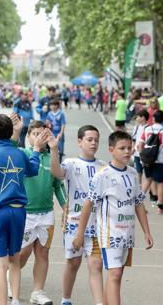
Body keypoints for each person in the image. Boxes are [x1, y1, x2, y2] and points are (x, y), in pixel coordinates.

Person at [0, 114, 45, 305]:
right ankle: (16, 301)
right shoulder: (20, 153)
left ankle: (3, 302)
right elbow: (33, 169)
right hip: (19, 212)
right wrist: (36, 150)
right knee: (15, 260)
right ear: (11, 131)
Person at [73, 131, 153, 305]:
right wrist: (80, 234)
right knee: (115, 274)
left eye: (129, 148)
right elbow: (88, 205)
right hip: (110, 235)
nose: (127, 152)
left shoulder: (132, 174)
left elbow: (138, 204)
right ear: (111, 150)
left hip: (128, 234)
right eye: (122, 148)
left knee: (116, 275)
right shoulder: (103, 175)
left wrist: (147, 231)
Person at [50, 125, 106, 305]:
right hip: (74, 224)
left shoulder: (103, 167)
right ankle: (65, 299)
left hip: (97, 225)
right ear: (79, 142)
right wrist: (53, 150)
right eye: (89, 140)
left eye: (96, 140)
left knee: (96, 265)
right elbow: (57, 173)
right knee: (73, 264)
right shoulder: (71, 164)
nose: (93, 143)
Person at [17, 120, 66, 305]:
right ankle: (11, 273)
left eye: (43, 134)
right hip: (25, 213)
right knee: (23, 252)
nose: (39, 137)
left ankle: (38, 291)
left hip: (46, 213)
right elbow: (12, 146)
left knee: (43, 253)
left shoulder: (51, 158)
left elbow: (58, 185)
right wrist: (16, 132)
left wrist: (66, 206)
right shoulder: (23, 154)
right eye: (35, 133)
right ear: (28, 136)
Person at [138, 110, 163, 214]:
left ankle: (138, 204)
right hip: (159, 161)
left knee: (147, 180)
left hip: (147, 160)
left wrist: (143, 157)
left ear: (153, 119)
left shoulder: (147, 129)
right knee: (160, 184)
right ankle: (160, 208)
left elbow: (140, 145)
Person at [132, 110, 149, 184]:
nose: (136, 118)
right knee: (138, 172)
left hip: (145, 154)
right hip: (136, 153)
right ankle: (139, 190)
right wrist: (132, 148)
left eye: (138, 116)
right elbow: (134, 139)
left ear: (143, 118)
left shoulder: (149, 128)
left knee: (147, 174)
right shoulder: (136, 127)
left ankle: (150, 191)